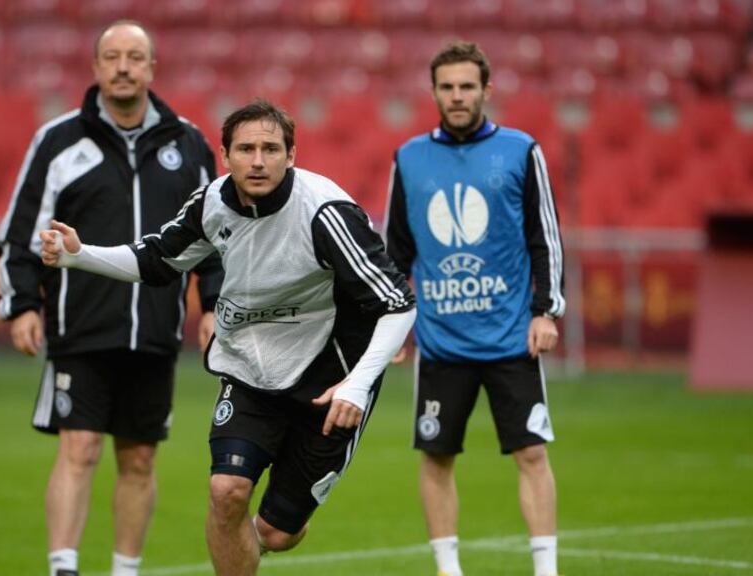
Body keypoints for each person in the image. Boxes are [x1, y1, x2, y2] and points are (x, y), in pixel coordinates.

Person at [40, 99, 417, 576]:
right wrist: (80, 255)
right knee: (226, 492)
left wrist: (359, 385)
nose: (257, 160)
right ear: (225, 155)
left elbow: (398, 304)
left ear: (291, 155)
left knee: (279, 534)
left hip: (330, 382)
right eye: (245, 149)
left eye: (270, 149)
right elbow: (157, 259)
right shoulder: (212, 202)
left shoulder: (327, 213)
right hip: (247, 371)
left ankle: (280, 523)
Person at [0, 21, 223, 576]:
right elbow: (21, 231)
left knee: (140, 458)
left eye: (134, 57)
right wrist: (23, 303)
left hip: (154, 329)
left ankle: (125, 570)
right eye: (112, 57)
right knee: (80, 448)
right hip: (80, 325)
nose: (123, 66)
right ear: (95, 69)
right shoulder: (58, 141)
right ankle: (63, 567)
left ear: (151, 69)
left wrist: (213, 303)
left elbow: (215, 237)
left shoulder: (188, 144)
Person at [383, 42, 566, 576]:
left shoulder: (521, 150)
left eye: (467, 87)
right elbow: (396, 251)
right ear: (434, 91)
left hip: (512, 337)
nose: (457, 96)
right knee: (437, 457)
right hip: (442, 343)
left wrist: (545, 310)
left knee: (531, 454)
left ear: (486, 90)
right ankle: (448, 570)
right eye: (447, 87)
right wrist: (394, 327)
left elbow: (544, 238)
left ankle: (546, 570)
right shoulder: (409, 158)